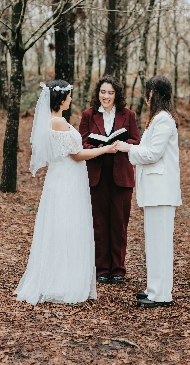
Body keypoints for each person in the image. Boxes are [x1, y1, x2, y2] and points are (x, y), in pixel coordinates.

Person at [15, 80, 118, 305]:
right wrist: (106, 149)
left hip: (62, 177)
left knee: (61, 226)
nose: (71, 99)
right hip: (66, 181)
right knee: (66, 226)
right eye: (69, 96)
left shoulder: (53, 120)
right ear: (61, 99)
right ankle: (63, 283)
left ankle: (60, 278)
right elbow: (77, 154)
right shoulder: (58, 122)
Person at [116, 75, 181, 307]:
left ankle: (161, 295)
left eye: (148, 92)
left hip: (161, 191)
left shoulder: (163, 119)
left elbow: (153, 153)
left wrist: (128, 148)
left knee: (160, 243)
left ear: (154, 94)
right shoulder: (158, 119)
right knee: (154, 243)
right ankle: (154, 289)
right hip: (155, 191)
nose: (146, 97)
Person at [79, 75, 140, 284]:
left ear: (117, 95)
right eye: (103, 92)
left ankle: (118, 269)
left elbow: (136, 140)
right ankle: (102, 269)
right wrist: (98, 147)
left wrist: (122, 145)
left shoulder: (128, 115)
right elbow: (81, 143)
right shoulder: (88, 115)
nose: (106, 96)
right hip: (97, 174)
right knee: (99, 223)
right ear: (98, 93)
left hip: (121, 175)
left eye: (111, 93)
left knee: (119, 223)